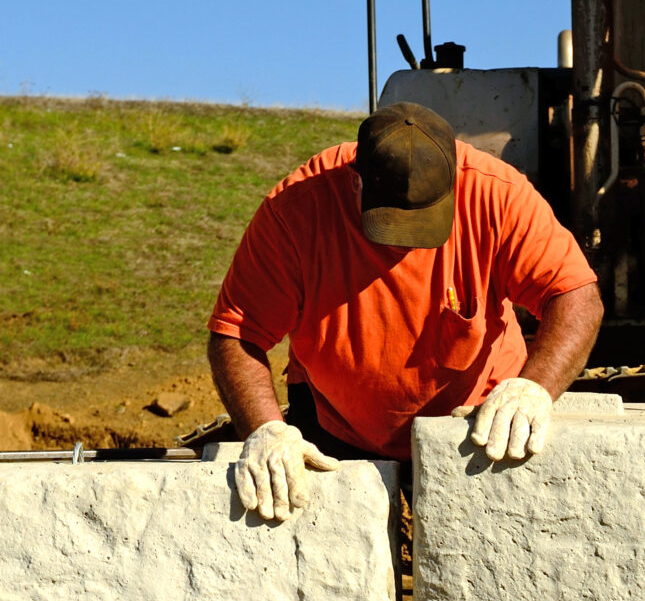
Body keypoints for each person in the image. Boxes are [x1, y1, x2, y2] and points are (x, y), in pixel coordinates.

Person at [207, 102, 603, 521]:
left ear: (453, 180)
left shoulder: (497, 193)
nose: (409, 243)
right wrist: (265, 429)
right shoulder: (297, 209)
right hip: (333, 424)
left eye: (427, 222)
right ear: (355, 182)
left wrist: (534, 388)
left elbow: (576, 296)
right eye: (393, 223)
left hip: (475, 422)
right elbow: (236, 333)